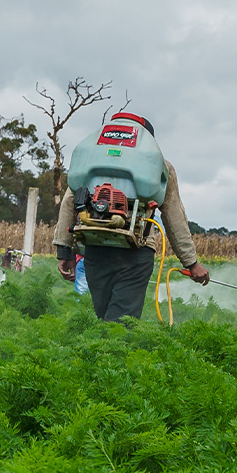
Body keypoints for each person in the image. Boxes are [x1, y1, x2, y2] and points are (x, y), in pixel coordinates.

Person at [54, 115, 209, 321]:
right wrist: (191, 263)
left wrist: (64, 251)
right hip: (136, 250)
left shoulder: (92, 160)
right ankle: (113, 351)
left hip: (96, 244)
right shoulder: (161, 166)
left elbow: (69, 202)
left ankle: (102, 350)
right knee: (121, 321)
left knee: (104, 315)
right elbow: (174, 217)